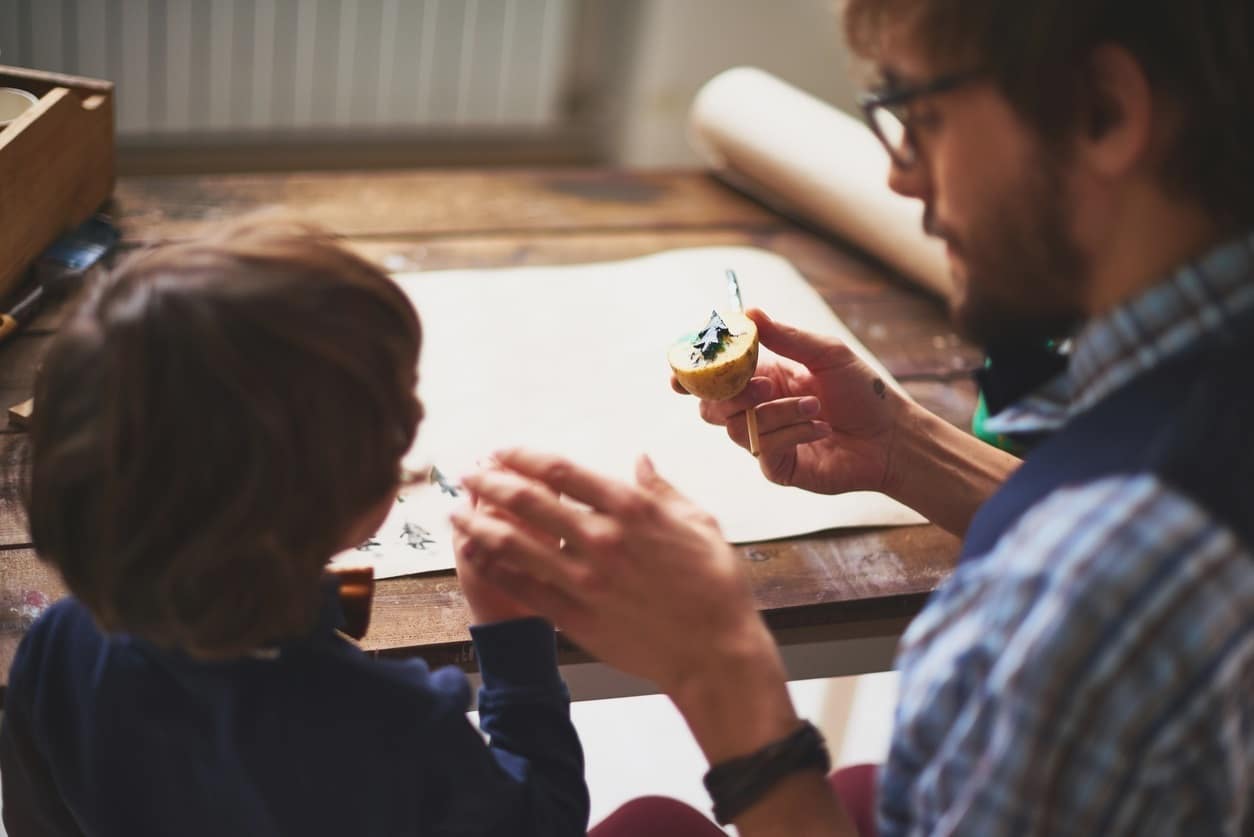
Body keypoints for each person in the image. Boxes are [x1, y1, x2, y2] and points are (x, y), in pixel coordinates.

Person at [448, 0, 1254, 834]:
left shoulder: (1084, 591)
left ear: (1104, 110)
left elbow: (1104, 566)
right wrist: (902, 447)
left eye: (920, 115)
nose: (902, 178)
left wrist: (718, 666)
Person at [0, 219, 590, 836]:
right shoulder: (394, 723)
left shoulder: (58, 647)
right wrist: (512, 630)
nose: (414, 417)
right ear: (332, 499)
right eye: (395, 416)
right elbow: (541, 823)